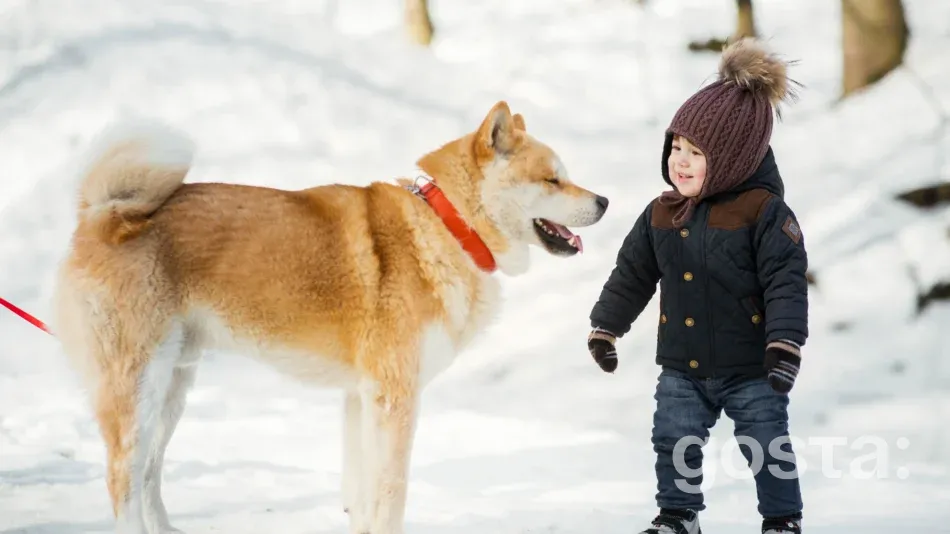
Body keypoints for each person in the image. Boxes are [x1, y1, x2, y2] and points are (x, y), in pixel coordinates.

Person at [586, 38, 808, 534]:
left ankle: (781, 520)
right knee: (673, 439)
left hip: (751, 365)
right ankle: (678, 514)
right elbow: (632, 274)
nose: (680, 162)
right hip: (682, 365)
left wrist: (785, 344)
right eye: (676, 148)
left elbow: (786, 282)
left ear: (731, 159)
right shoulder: (661, 213)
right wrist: (606, 327)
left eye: (695, 153)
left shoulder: (763, 213)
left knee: (766, 443)